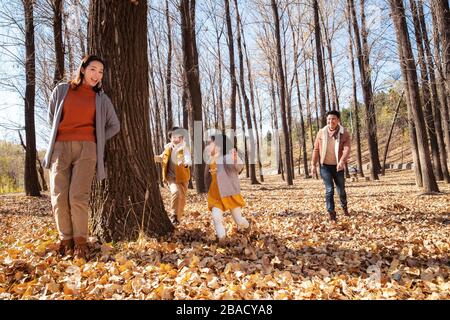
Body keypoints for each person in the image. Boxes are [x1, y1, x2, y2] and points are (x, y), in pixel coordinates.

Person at [42, 54, 120, 259]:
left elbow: (115, 125)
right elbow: (52, 116)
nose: (97, 75)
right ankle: (65, 241)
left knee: (77, 196)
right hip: (60, 147)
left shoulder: (101, 99)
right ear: (83, 69)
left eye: (101, 72)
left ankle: (80, 244)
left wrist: (97, 137)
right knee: (59, 197)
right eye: (93, 69)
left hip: (87, 150)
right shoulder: (62, 90)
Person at [204, 134, 250, 243]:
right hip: (216, 196)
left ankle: (247, 226)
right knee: (216, 217)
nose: (208, 147)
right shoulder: (210, 160)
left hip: (230, 194)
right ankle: (222, 238)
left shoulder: (226, 158)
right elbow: (207, 177)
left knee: (238, 220)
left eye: (211, 144)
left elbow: (238, 167)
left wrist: (235, 158)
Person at [311, 110, 351, 222]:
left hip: (338, 166)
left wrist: (342, 161)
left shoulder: (344, 133)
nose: (330, 121)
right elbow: (316, 149)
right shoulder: (321, 133)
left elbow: (347, 149)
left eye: (333, 119)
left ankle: (344, 207)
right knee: (329, 189)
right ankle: (331, 213)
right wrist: (313, 165)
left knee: (341, 190)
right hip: (325, 166)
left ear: (338, 120)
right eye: (329, 119)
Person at [155, 127, 191, 225]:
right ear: (170, 138)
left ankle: (177, 219)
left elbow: (188, 159)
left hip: (183, 178)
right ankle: (174, 215)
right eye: (174, 137)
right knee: (176, 192)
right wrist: (151, 157)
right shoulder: (167, 149)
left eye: (179, 137)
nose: (177, 139)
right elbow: (161, 158)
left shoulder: (184, 149)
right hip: (171, 178)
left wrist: (185, 163)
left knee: (182, 199)